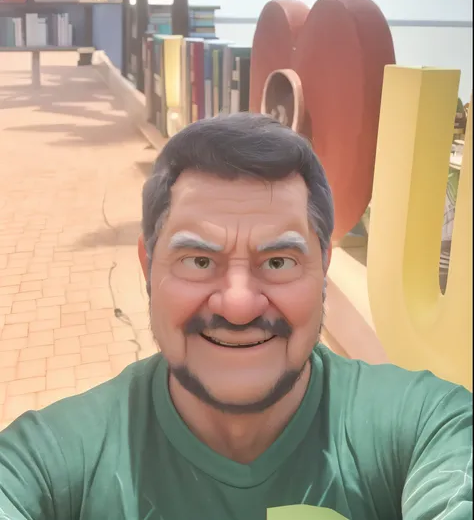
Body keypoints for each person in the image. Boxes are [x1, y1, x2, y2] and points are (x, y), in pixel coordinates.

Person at [0, 113, 471, 520]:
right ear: (148, 267)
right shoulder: (49, 457)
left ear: (323, 268)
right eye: (200, 262)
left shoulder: (426, 427)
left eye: (279, 262)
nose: (240, 305)